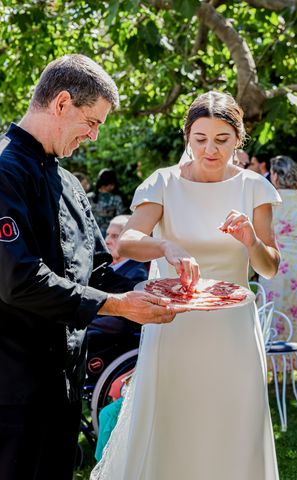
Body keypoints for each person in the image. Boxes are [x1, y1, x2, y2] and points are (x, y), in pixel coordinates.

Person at [0, 54, 177, 480]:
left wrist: (157, 293)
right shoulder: (5, 172)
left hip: (64, 384)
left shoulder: (71, 184)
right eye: (92, 122)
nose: (95, 137)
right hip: (11, 386)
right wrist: (117, 306)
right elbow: (17, 280)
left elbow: (97, 270)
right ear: (62, 104)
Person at [91, 90, 282, 480]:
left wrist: (250, 240)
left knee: (232, 422)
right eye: (200, 139)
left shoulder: (254, 187)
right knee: (172, 421)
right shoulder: (163, 183)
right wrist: (163, 244)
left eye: (222, 140)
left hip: (233, 332)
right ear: (187, 138)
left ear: (239, 139)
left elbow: (270, 267)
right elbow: (126, 242)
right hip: (174, 325)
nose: (210, 149)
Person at [259, 155, 297, 370]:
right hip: (296, 261)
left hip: (272, 259)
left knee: (270, 307)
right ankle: (294, 362)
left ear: (276, 174)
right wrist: (292, 235)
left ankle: (268, 362)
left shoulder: (269, 199)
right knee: (295, 309)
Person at [87, 215, 149, 337]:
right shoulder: (100, 269)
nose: (107, 240)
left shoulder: (137, 275)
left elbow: (120, 323)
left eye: (115, 236)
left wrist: (81, 322)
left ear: (130, 242)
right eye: (107, 234)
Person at [88, 168, 125, 236]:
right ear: (111, 184)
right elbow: (119, 219)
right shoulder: (116, 199)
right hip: (109, 235)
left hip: (90, 234)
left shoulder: (89, 197)